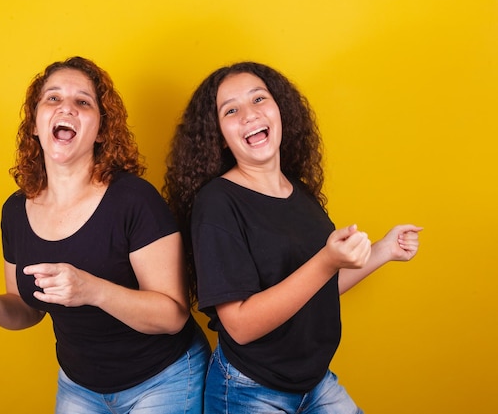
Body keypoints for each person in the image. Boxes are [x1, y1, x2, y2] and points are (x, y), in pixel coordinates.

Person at [0, 56, 210, 414]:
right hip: (79, 386)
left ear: (100, 131)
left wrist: (90, 290)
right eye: (53, 98)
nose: (66, 107)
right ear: (35, 124)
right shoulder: (15, 211)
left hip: (164, 378)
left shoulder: (134, 200)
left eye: (83, 101)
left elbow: (171, 316)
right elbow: (27, 309)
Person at [163, 61, 422, 414]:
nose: (249, 115)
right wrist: (326, 260)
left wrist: (384, 249)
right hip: (249, 390)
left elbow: (317, 287)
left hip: (314, 381)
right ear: (219, 137)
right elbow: (239, 326)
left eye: (258, 99)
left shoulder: (299, 193)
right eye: (231, 110)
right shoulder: (217, 204)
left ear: (279, 109)